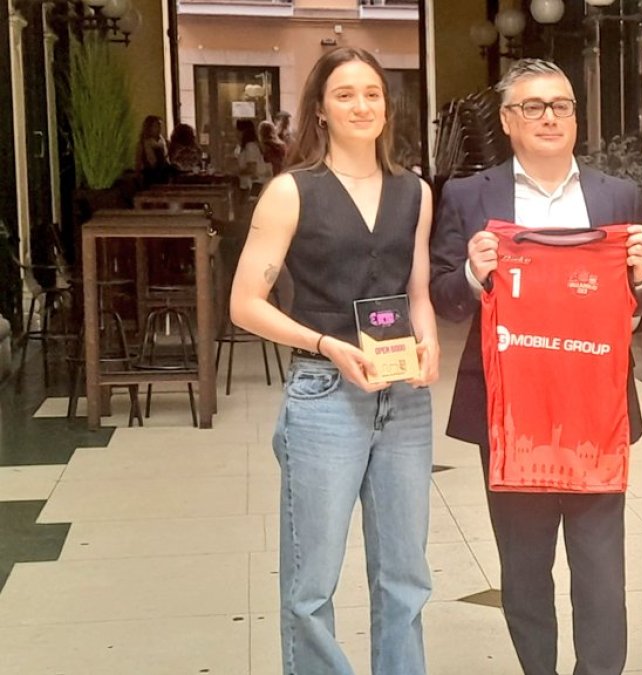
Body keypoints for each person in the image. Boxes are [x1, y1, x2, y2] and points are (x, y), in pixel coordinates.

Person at [430, 58, 642, 675]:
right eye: (533, 106)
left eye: (561, 105)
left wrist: (641, 277)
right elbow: (440, 296)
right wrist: (473, 273)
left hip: (596, 414)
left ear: (576, 117)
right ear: (508, 121)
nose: (550, 117)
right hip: (510, 417)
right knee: (525, 572)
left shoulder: (616, 195)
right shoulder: (468, 197)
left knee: (601, 574)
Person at [229, 46, 439, 675]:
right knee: (311, 585)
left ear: (387, 105)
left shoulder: (415, 192)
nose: (361, 105)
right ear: (320, 109)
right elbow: (245, 304)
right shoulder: (292, 192)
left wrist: (427, 346)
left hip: (403, 398)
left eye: (372, 93)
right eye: (345, 94)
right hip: (325, 395)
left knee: (406, 577)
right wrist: (324, 345)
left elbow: (419, 294)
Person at [135, 115, 170, 184]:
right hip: (150, 174)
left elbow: (166, 158)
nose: (159, 129)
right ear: (149, 128)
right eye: (156, 126)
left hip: (163, 173)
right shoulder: (143, 143)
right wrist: (138, 175)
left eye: (160, 126)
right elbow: (138, 161)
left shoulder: (163, 142)